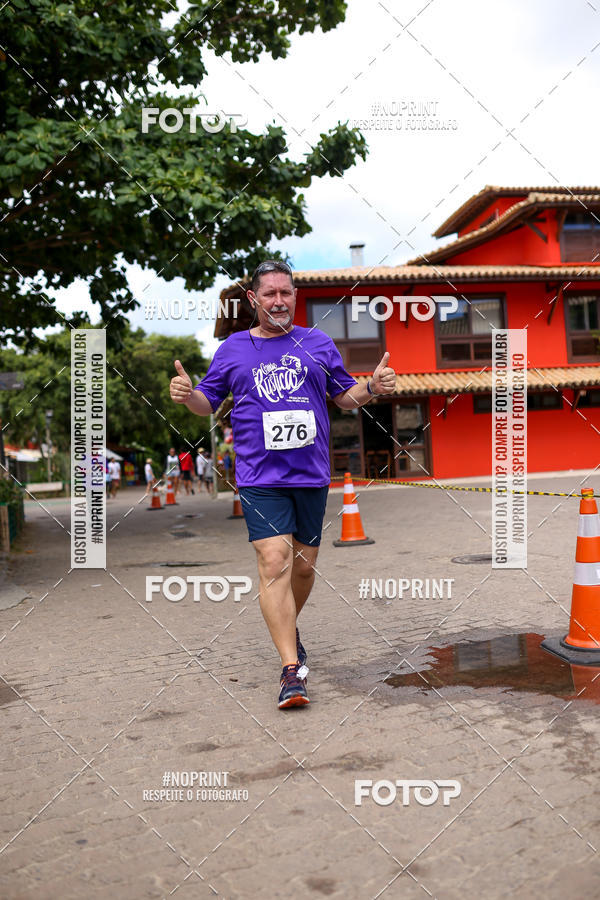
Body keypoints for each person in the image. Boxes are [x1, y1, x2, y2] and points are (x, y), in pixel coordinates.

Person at [170, 260, 395, 709]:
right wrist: (187, 395)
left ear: (295, 296)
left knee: (304, 568)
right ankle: (291, 670)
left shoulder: (318, 343)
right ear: (253, 299)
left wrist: (371, 386)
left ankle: (287, 627)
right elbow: (206, 401)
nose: (278, 301)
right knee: (275, 561)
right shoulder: (233, 349)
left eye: (285, 292)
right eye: (269, 293)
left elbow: (343, 396)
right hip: (260, 477)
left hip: (310, 475)